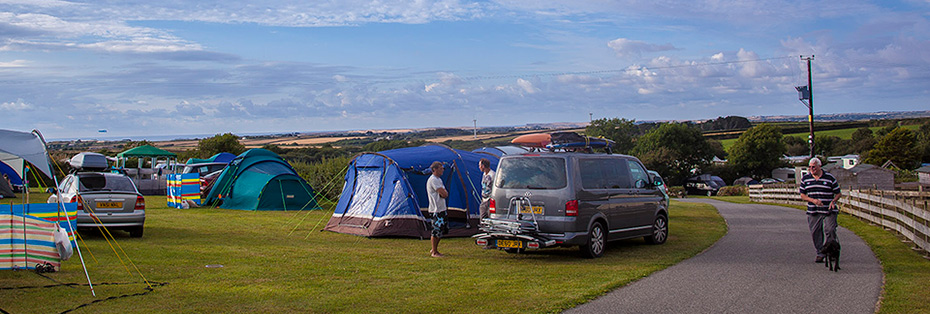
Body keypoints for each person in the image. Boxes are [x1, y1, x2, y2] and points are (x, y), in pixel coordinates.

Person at [799, 157, 842, 263]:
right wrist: (813, 200)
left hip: (828, 210)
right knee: (815, 232)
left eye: (814, 167)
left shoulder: (829, 178)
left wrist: (833, 201)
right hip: (813, 210)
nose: (811, 169)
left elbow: (838, 193)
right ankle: (820, 252)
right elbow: (803, 195)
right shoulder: (806, 179)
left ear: (819, 166)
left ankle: (831, 251)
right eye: (810, 167)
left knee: (830, 230)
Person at [427, 161, 449, 258]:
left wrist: (444, 193)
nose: (442, 170)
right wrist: (444, 193)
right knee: (436, 231)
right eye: (440, 169)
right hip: (436, 209)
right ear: (434, 169)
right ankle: (434, 252)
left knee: (441, 230)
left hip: (441, 208)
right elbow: (443, 193)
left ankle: (434, 248)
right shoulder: (433, 180)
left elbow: (444, 193)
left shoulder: (438, 179)